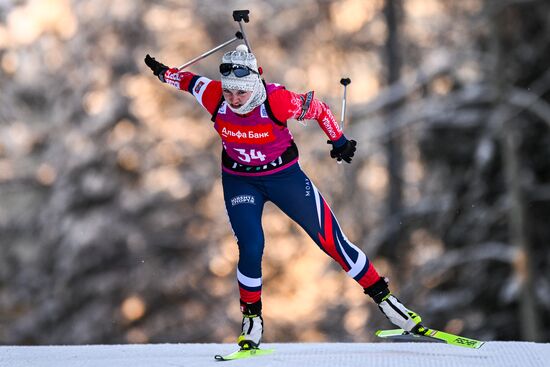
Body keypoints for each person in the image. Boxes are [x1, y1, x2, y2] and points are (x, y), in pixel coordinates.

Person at [144, 45, 422, 349]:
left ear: (252, 86)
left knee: (331, 239)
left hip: (284, 178)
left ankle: (387, 301)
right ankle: (252, 319)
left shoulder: (276, 99)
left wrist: (338, 141)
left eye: (240, 93)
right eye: (229, 93)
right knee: (251, 245)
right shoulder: (213, 95)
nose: (234, 100)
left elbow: (318, 108)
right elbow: (186, 81)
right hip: (240, 181)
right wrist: (163, 72)